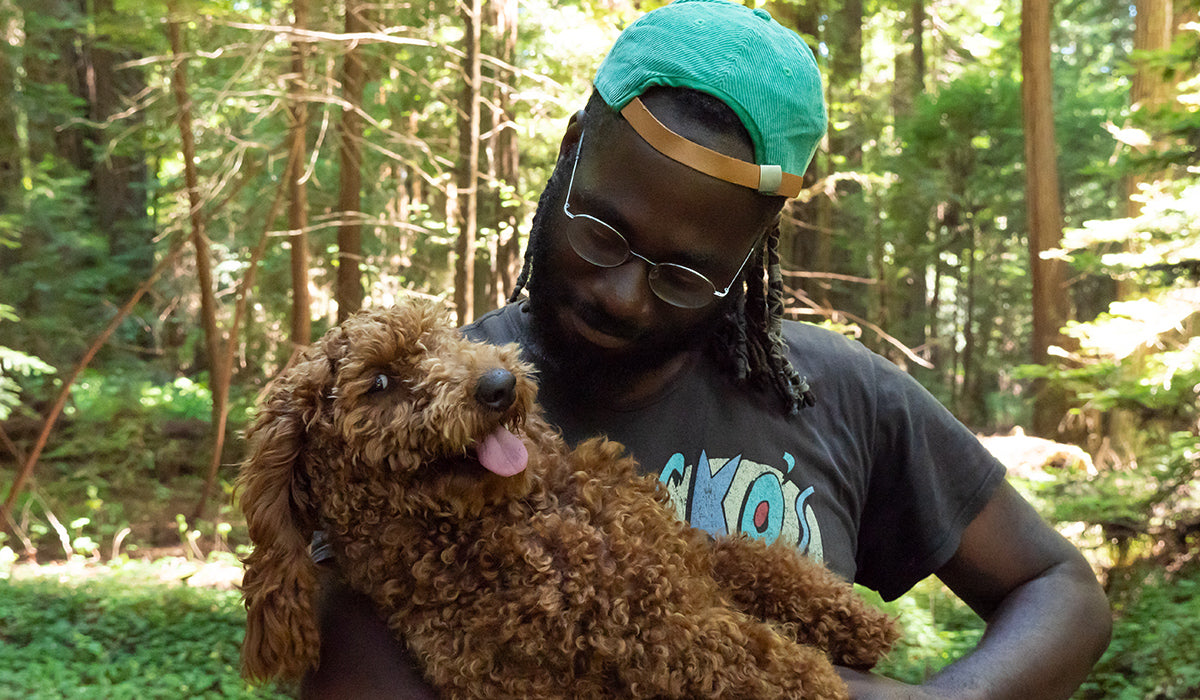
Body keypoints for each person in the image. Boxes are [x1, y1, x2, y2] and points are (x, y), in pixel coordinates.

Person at [301, 1, 1112, 697]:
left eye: (687, 274)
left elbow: (1060, 587)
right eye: (604, 230)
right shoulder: (416, 408)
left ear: (752, 254)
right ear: (572, 147)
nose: (621, 295)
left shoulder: (836, 393)